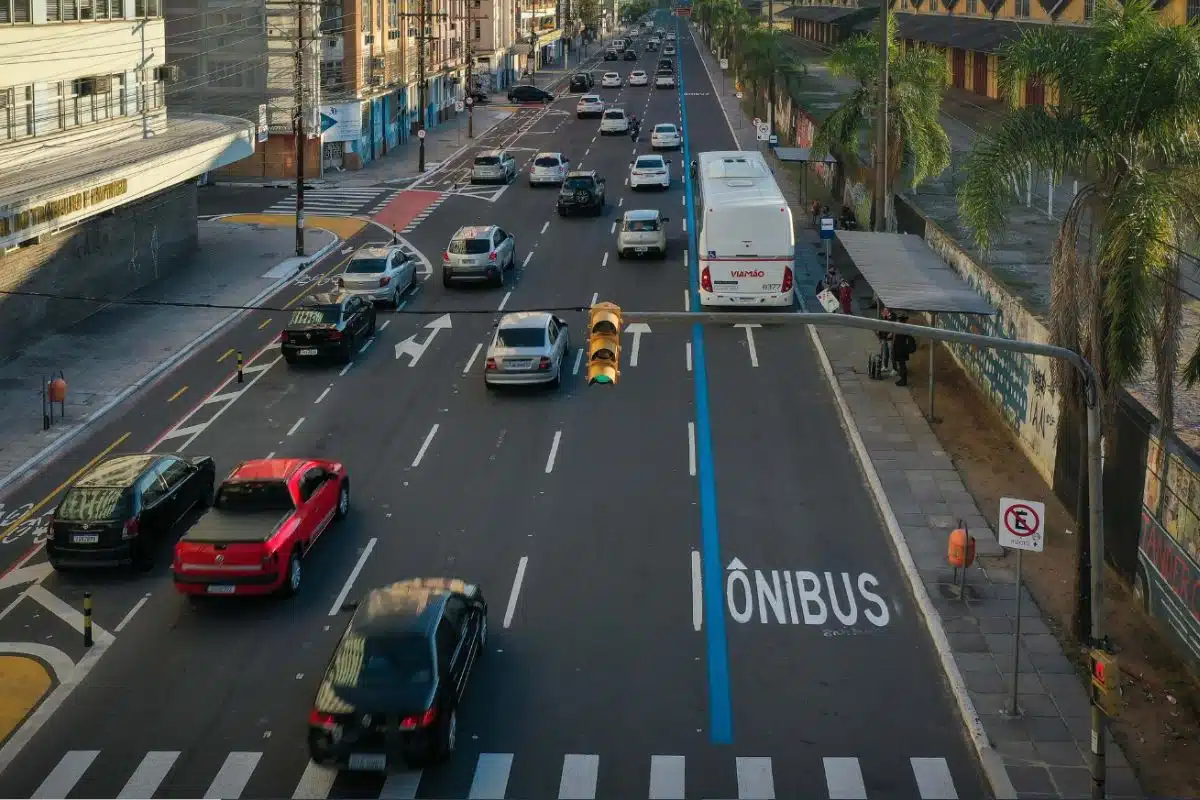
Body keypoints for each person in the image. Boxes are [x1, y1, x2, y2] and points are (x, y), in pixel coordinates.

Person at [892, 314, 916, 387]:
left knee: (902, 365)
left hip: (900, 349)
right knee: (902, 365)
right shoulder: (905, 327)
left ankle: (903, 380)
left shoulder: (901, 328)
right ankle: (903, 379)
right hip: (902, 349)